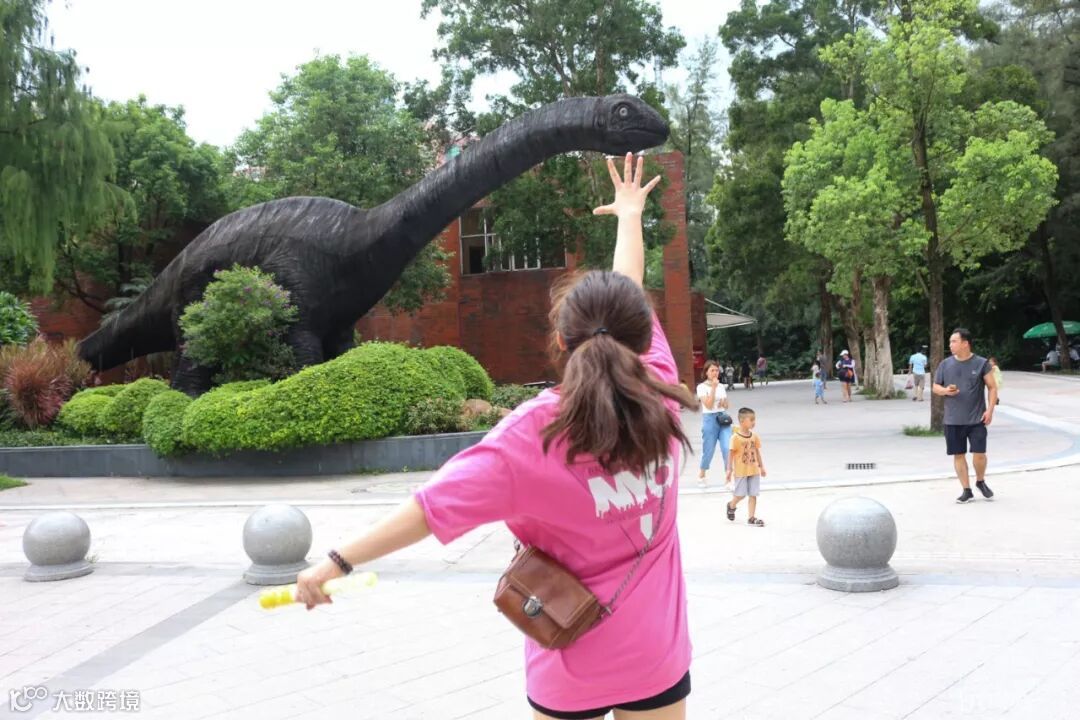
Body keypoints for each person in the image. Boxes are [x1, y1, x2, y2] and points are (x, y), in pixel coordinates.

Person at [294, 153, 697, 719]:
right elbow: (626, 291)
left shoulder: (531, 436)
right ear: (641, 335)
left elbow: (429, 509)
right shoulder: (661, 390)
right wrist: (631, 217)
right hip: (655, 655)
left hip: (568, 661)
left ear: (560, 339)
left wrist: (336, 562)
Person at [932, 327, 998, 504]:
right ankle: (966, 490)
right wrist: (945, 391)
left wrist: (990, 410)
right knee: (958, 455)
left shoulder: (982, 363)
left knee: (980, 453)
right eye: (950, 342)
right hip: (953, 420)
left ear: (965, 343)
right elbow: (935, 387)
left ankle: (980, 481)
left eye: (954, 341)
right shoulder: (945, 364)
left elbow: (992, 387)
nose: (950, 345)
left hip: (977, 418)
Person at [725, 407, 767, 526]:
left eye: (754, 420)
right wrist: (729, 470)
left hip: (754, 470)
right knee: (740, 494)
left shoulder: (754, 436)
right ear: (742, 421)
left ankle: (751, 518)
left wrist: (761, 467)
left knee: (753, 494)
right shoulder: (735, 438)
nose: (754, 422)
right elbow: (731, 454)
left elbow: (757, 451)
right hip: (741, 471)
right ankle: (731, 505)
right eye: (751, 420)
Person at [697, 360, 732, 488]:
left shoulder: (721, 386)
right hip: (709, 419)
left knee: (727, 448)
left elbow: (726, 405)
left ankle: (729, 478)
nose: (715, 373)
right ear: (706, 372)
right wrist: (713, 388)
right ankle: (702, 475)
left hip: (723, 418)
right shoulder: (701, 387)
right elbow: (708, 405)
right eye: (712, 370)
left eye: (717, 370)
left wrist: (724, 403)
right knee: (708, 450)